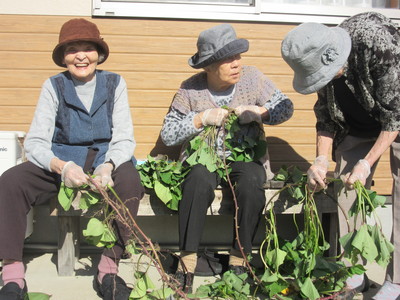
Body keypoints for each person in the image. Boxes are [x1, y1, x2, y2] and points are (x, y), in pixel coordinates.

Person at [0, 18, 144, 300]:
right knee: (10, 181)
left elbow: (125, 137)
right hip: (62, 160)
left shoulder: (115, 83)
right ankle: (13, 275)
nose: (81, 55)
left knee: (129, 181)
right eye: (72, 48)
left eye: (88, 48)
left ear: (98, 53)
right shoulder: (53, 86)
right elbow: (36, 142)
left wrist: (109, 164)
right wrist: (61, 166)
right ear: (63, 56)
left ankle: (108, 269)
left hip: (104, 159)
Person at [160, 23, 294, 294]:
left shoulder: (252, 78)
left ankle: (238, 260)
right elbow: (168, 134)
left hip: (243, 156)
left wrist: (260, 112)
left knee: (252, 181)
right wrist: (199, 119)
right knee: (196, 180)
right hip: (204, 156)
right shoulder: (190, 89)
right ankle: (187, 262)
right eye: (228, 59)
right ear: (208, 66)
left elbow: (285, 107)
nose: (237, 64)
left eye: (238, 56)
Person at [281, 11, 400, 300]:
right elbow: (326, 118)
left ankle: (396, 282)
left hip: (396, 111)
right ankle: (353, 275)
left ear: (334, 57)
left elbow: (395, 115)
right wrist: (321, 160)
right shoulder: (318, 56)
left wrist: (366, 163)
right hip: (357, 121)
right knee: (346, 192)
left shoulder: (379, 46)